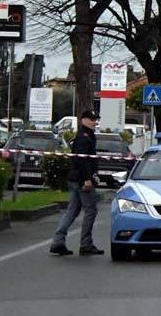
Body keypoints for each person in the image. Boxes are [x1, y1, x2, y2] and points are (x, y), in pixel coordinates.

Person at [50, 110, 103, 256]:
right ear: (83, 120)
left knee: (72, 211)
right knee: (91, 210)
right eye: (91, 119)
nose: (94, 122)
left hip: (75, 178)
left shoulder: (86, 135)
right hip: (81, 179)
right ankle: (86, 244)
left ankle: (58, 242)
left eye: (95, 119)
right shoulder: (83, 137)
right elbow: (81, 160)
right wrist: (87, 179)